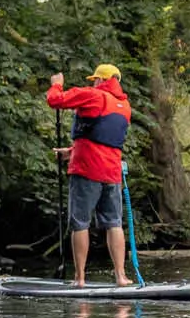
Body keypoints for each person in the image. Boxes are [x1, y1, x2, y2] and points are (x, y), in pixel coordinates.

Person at [45, 63, 133, 286]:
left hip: (87, 170)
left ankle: (80, 278)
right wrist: (71, 151)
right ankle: (121, 276)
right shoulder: (124, 106)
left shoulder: (93, 95)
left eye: (95, 79)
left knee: (80, 223)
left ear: (101, 81)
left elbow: (55, 101)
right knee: (114, 222)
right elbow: (104, 137)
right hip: (112, 172)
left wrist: (56, 85)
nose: (93, 82)